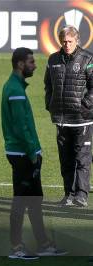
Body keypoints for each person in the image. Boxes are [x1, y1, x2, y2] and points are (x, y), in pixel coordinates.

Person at [1, 47, 67, 260]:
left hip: (24, 151)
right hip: (22, 154)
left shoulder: (15, 86)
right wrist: (32, 153)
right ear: (20, 64)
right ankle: (16, 247)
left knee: (35, 200)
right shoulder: (16, 91)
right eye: (31, 62)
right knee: (21, 200)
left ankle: (43, 244)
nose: (35, 65)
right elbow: (21, 126)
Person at [44, 25, 93, 207]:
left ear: (77, 40)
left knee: (82, 159)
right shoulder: (53, 59)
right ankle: (69, 195)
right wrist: (50, 104)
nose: (66, 44)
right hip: (62, 120)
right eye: (64, 41)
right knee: (66, 161)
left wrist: (85, 105)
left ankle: (81, 195)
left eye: (70, 41)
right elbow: (48, 85)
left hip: (82, 119)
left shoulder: (88, 58)